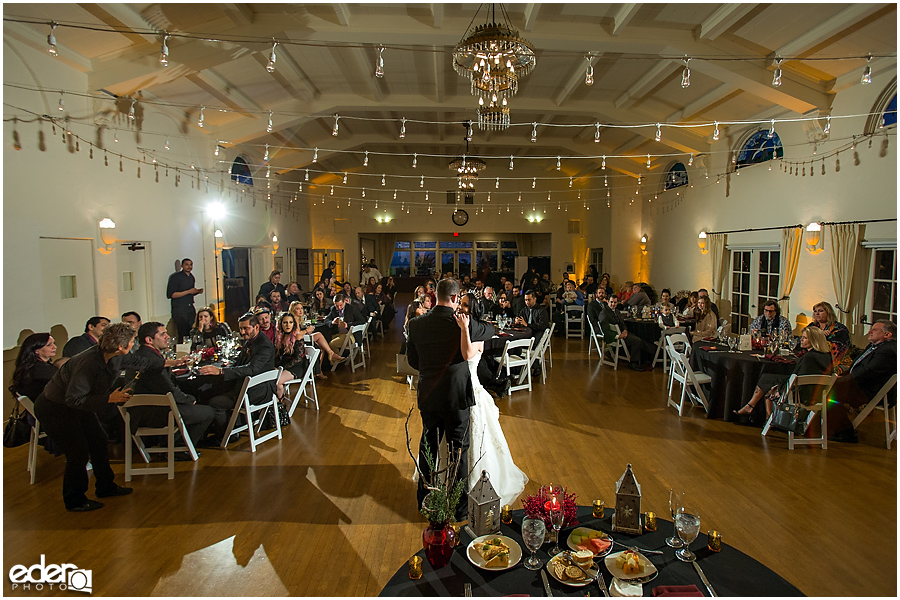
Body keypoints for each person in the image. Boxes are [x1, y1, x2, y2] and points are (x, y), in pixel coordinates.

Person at [34, 323, 150, 511]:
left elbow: (138, 362)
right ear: (120, 346)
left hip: (76, 405)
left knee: (98, 440)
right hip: (55, 409)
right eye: (131, 341)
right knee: (78, 452)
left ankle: (105, 486)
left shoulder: (111, 355)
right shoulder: (88, 362)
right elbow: (73, 399)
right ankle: (75, 500)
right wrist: (109, 398)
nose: (133, 344)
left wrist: (172, 362)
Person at [407, 278, 495, 521]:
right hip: (456, 395)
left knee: (428, 448)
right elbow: (491, 330)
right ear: (456, 298)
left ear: (434, 296)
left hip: (428, 394)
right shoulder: (462, 324)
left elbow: (412, 360)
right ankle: (458, 509)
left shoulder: (416, 324)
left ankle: (425, 501)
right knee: (458, 451)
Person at [454, 309, 528, 506]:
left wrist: (464, 330)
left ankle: (480, 481)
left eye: (465, 305)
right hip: (459, 389)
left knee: (479, 436)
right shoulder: (461, 328)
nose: (460, 309)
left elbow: (467, 353)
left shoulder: (478, 334)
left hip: (473, 390)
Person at [132, 322, 215, 450]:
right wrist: (189, 399)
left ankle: (172, 445)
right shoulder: (151, 362)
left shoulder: (145, 354)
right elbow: (168, 390)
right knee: (208, 412)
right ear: (149, 340)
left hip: (153, 407)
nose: (168, 336)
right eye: (162, 334)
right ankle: (179, 448)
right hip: (155, 412)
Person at [198, 312, 276, 445]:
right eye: (241, 328)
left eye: (246, 328)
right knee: (205, 390)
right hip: (246, 385)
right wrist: (227, 368)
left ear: (256, 327)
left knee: (215, 402)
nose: (242, 332)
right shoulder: (250, 340)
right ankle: (205, 432)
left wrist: (221, 371)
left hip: (258, 390)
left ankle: (227, 435)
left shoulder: (264, 345)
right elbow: (240, 362)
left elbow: (251, 369)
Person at [734, 326, 833, 422]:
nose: (801, 340)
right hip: (819, 395)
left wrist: (779, 389)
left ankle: (768, 419)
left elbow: (797, 379)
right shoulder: (827, 356)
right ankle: (754, 408)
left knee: (767, 384)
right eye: (802, 337)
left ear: (814, 340)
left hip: (802, 395)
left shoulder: (809, 358)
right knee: (767, 379)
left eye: (805, 338)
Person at [828, 320, 897, 443]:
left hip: (870, 391)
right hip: (859, 384)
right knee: (831, 385)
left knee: (831, 391)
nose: (869, 331)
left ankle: (846, 431)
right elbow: (857, 367)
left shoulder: (888, 350)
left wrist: (842, 381)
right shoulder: (874, 346)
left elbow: (867, 372)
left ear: (888, 335)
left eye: (875, 330)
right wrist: (842, 376)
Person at [288, 302, 345, 377]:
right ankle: (330, 354)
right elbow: (296, 335)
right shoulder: (293, 320)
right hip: (296, 343)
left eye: (301, 308)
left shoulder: (298, 319)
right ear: (293, 310)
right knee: (319, 336)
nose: (300, 311)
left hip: (303, 339)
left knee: (321, 347)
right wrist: (307, 330)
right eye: (297, 309)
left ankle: (319, 371)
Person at [596, 295, 650, 371]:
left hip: (622, 333)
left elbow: (622, 323)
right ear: (608, 302)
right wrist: (618, 336)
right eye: (611, 302)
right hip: (615, 336)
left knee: (640, 338)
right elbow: (605, 328)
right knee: (637, 341)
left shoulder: (617, 311)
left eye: (615, 302)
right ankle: (633, 362)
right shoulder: (604, 313)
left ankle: (644, 359)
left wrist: (625, 330)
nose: (613, 304)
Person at [809, 301, 852, 375]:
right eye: (815, 311)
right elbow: (802, 340)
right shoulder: (813, 326)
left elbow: (829, 348)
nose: (817, 313)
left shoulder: (840, 329)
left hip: (834, 363)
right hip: (814, 359)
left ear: (828, 312)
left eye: (820, 311)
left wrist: (819, 336)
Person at [167, 258, 203, 342]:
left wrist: (197, 291)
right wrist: (189, 291)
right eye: (187, 264)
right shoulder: (175, 277)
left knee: (193, 330)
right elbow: (171, 294)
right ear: (182, 266)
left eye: (191, 264)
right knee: (183, 332)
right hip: (179, 308)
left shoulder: (191, 277)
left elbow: (189, 293)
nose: (189, 267)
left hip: (190, 307)